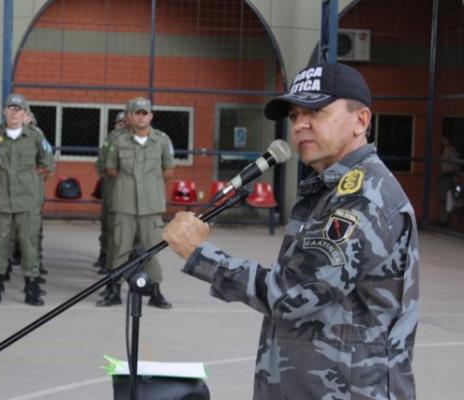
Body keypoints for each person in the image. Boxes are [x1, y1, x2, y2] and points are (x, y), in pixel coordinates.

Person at [163, 63, 419, 399]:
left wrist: (203, 257)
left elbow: (293, 293)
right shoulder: (329, 188)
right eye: (296, 115)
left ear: (361, 120)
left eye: (316, 111)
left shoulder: (365, 195)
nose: (300, 125)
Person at [0, 93, 55, 306]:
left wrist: (27, 179)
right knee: (0, 243)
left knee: (29, 244)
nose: (14, 112)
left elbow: (47, 163)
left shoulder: (35, 136)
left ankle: (31, 288)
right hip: (0, 200)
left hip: (27, 201)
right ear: (4, 111)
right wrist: (3, 179)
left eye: (18, 109)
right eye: (10, 108)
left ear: (24, 113)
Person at [99, 97, 175, 308]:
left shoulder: (161, 140)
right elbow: (111, 168)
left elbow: (168, 170)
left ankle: (156, 291)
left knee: (151, 249)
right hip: (124, 205)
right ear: (129, 116)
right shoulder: (118, 140)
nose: (141, 117)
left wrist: (148, 184)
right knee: (119, 248)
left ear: (150, 116)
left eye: (145, 113)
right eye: (137, 113)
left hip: (151, 206)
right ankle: (113, 290)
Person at [94, 110, 127, 274]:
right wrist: (105, 173)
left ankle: (117, 262)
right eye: (119, 123)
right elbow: (101, 161)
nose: (121, 125)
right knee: (107, 222)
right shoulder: (110, 139)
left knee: (119, 226)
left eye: (124, 122)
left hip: (125, 187)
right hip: (110, 185)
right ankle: (105, 254)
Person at [438, 134, 460, 225]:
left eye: (445, 140)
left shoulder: (452, 151)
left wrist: (455, 177)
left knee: (448, 199)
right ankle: (444, 219)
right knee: (444, 199)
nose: (443, 142)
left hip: (449, 177)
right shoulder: (445, 151)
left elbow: (455, 166)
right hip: (444, 177)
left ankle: (445, 220)